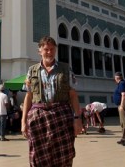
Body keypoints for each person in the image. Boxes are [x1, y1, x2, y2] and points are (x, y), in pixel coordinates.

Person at [21, 36, 83, 167]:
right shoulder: (32, 70)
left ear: (55, 50)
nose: (49, 52)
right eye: (46, 49)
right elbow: (29, 96)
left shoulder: (66, 69)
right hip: (38, 117)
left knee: (64, 155)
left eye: (52, 49)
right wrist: (23, 122)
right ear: (40, 51)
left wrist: (77, 119)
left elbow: (73, 95)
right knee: (38, 156)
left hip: (61, 115)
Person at [113, 71, 125, 146]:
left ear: (116, 78)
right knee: (122, 123)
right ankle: (124, 138)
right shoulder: (120, 84)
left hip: (124, 105)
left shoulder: (122, 83)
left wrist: (122, 105)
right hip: (121, 105)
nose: (114, 79)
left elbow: (123, 95)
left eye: (115, 78)